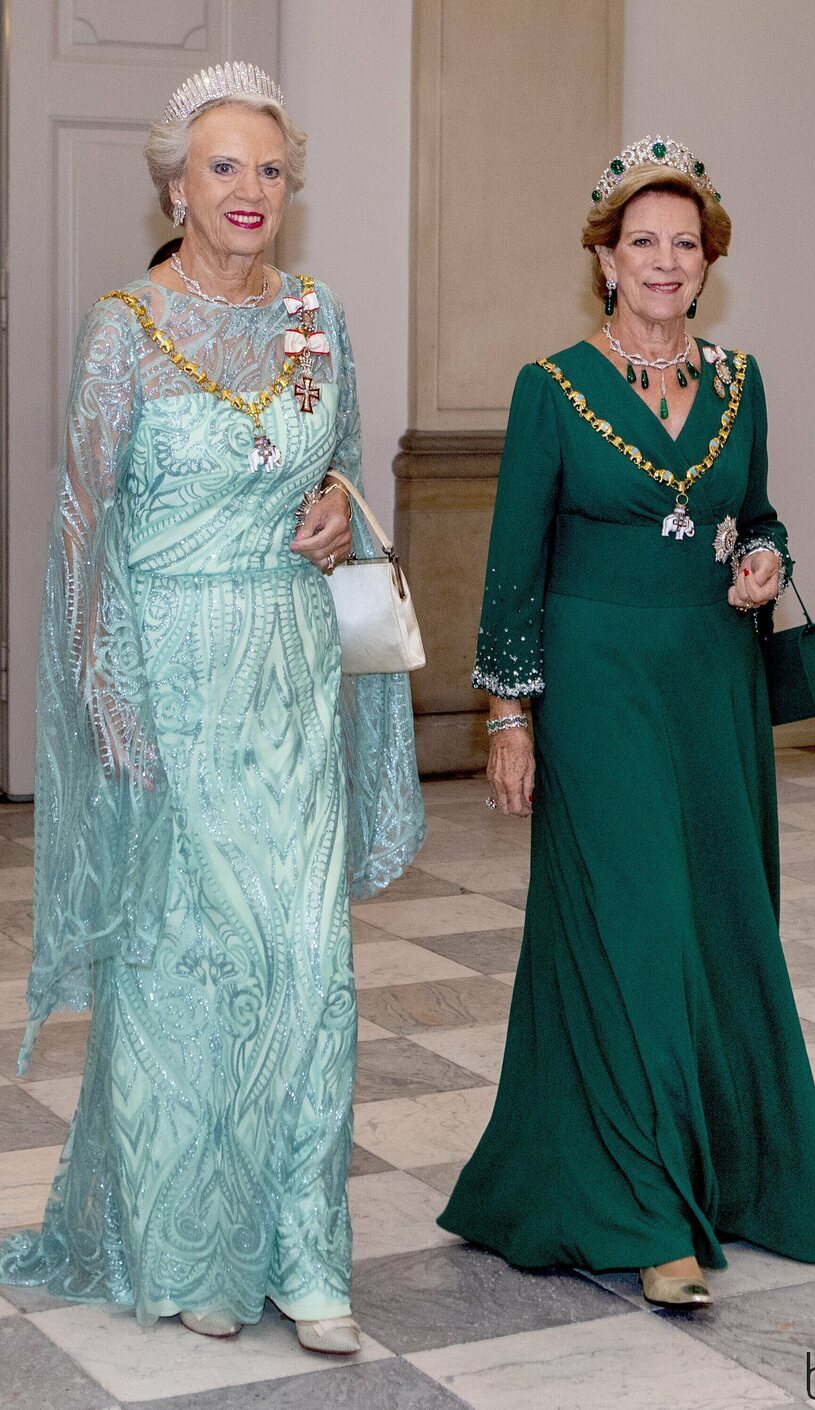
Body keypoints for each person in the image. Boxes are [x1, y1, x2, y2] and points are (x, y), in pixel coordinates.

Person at [0, 61, 424, 1352]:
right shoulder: (124, 325)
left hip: (287, 680)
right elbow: (83, 529)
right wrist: (108, 696)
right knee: (186, 972)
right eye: (223, 167)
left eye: (270, 170)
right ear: (175, 181)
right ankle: (189, 1245)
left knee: (307, 968)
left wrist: (346, 505)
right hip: (169, 680)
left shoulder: (319, 315)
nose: (249, 192)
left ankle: (307, 1253)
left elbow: (342, 469)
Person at [438, 135, 815, 1307]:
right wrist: (509, 717)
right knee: (636, 929)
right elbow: (512, 567)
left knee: (721, 925)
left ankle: (724, 1179)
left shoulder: (738, 381)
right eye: (642, 243)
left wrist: (764, 560)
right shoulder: (551, 386)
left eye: (685, 244)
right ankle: (645, 1213)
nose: (664, 263)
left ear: (704, 261)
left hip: (709, 686)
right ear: (604, 261)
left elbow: (756, 513)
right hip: (597, 690)